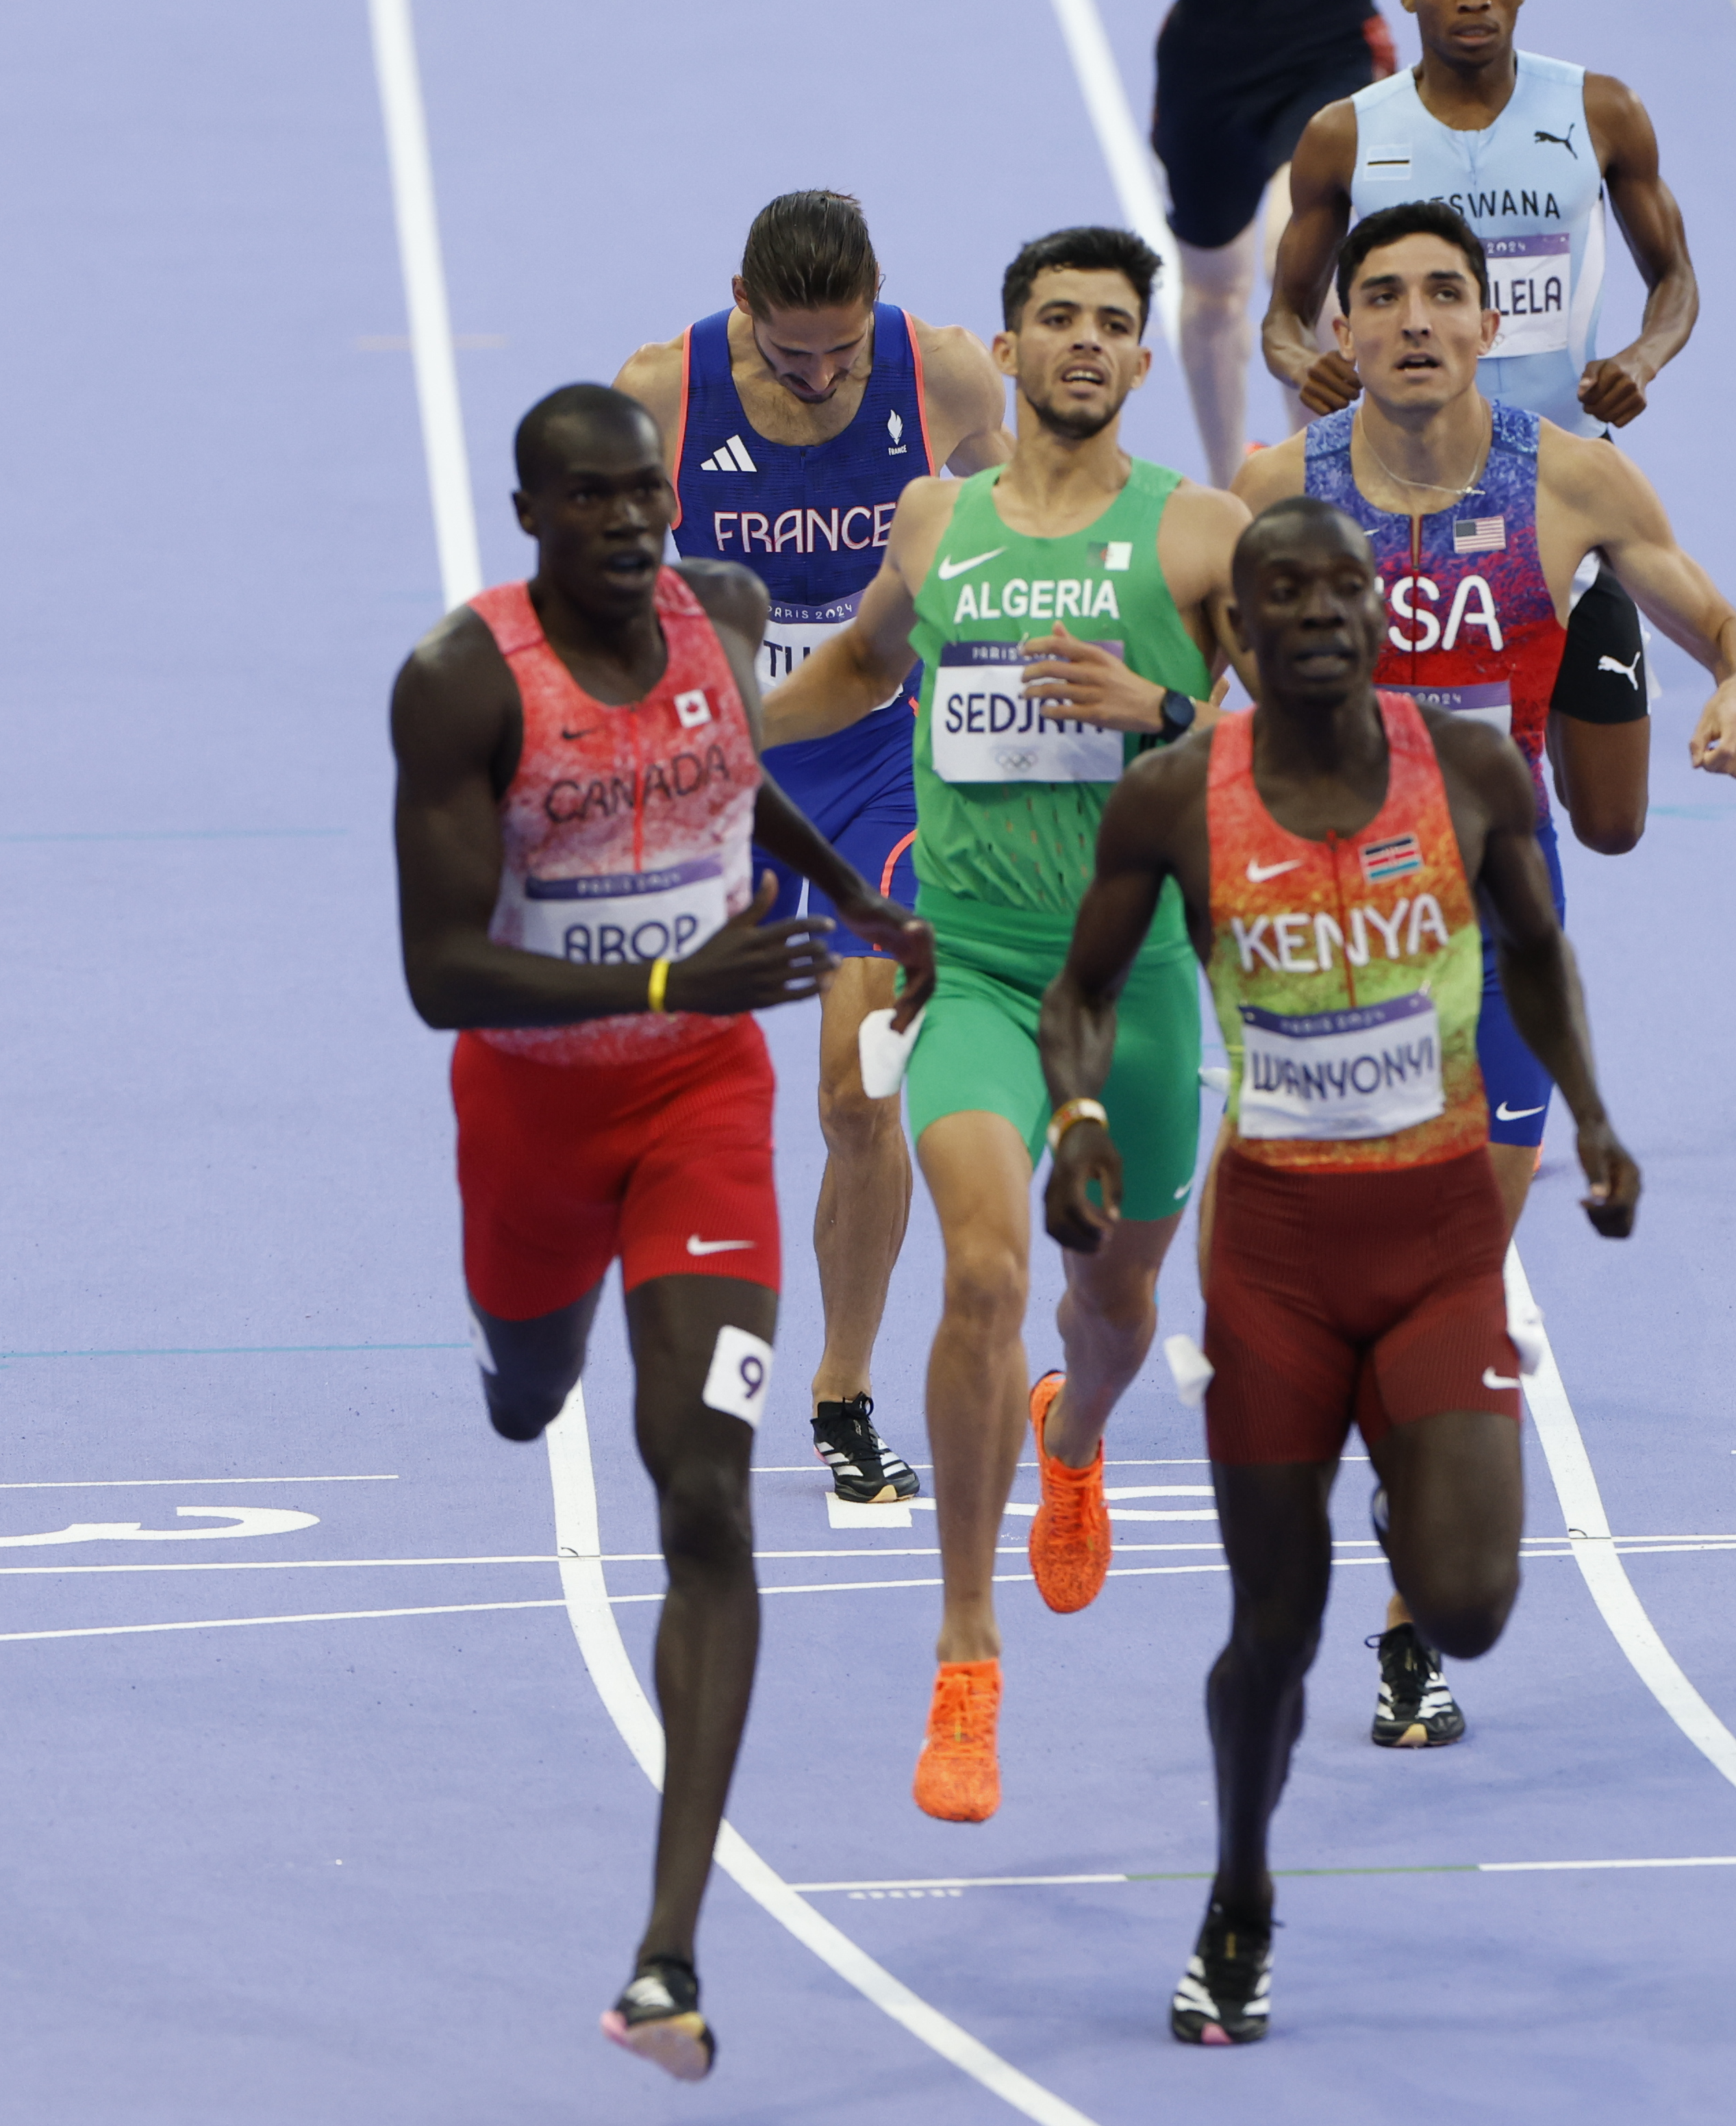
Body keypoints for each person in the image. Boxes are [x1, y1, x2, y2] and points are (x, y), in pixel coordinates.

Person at [1036, 495, 1639, 2044]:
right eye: (1280, 595)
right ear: (1234, 634)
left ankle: (1409, 1477)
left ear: (1378, 616)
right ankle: (1238, 1896)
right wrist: (1083, 1111)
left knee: (1472, 1602)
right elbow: (1083, 990)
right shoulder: (1176, 798)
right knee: (1277, 1626)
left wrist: (1589, 1116)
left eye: (1341, 591)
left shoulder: (1472, 772)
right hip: (1283, 1262)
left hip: (1439, 1242)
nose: (1315, 613)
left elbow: (1533, 955)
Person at [388, 384, 930, 2078]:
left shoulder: (730, 618)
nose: (631, 526)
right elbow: (434, 977)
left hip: (703, 1101)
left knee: (701, 1483)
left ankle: (668, 1954)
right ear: (530, 514)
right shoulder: (464, 684)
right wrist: (656, 973)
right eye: (593, 503)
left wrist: (849, 902)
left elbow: (732, 779)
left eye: (647, 496)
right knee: (534, 1388)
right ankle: (512, 1348)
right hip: (535, 1114)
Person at [1234, 199, 1736, 1742]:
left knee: (1449, 1295)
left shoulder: (1573, 483)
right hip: (1319, 963)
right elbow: (1188, 673)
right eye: (1385, 297)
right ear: (1340, 335)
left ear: (1491, 323)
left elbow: (1722, 621)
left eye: (1445, 296)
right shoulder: (1282, 490)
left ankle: (1406, 1622)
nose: (1415, 320)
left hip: (1497, 957)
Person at [764, 227, 1252, 1823]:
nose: (1090, 347)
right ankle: (964, 1658)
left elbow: (1302, 743)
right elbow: (853, 666)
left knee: (1106, 1316)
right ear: (1013, 343)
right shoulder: (937, 519)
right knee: (978, 1265)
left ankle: (1080, 1431)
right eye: (1061, 321)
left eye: (1118, 325)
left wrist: (1165, 713)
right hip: (970, 976)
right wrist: (695, 727)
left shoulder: (1199, 539)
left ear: (1136, 353)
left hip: (1137, 985)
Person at [613, 192, 1008, 1510]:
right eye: (794, 357)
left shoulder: (936, 367)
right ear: (741, 304)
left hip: (879, 774)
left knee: (854, 1094)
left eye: (843, 351)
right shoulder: (660, 392)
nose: (826, 377)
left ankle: (841, 1391)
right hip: (718, 776)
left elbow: (1012, 514)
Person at [1263, 0, 1704, 853]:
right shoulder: (1343, 134)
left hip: (1563, 493)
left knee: (1612, 823)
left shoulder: (1602, 112)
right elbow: (1283, 315)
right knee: (1398, 791)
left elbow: (1676, 278)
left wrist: (1642, 359)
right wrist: (1301, 362)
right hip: (1404, 506)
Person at [1150, 0, 1398, 484]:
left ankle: (1314, 483)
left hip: (1325, 43)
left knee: (1301, 264)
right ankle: (1228, 490)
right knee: (1211, 298)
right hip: (1206, 60)